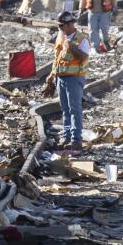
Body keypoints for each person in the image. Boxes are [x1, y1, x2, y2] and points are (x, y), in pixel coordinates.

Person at [44, 10, 90, 147]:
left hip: (75, 79)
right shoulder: (62, 38)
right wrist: (52, 75)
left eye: (61, 26)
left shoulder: (81, 39)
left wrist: (72, 47)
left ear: (70, 24)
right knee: (65, 109)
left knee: (74, 109)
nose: (60, 29)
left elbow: (84, 57)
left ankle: (76, 140)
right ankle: (67, 137)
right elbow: (57, 59)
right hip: (61, 79)